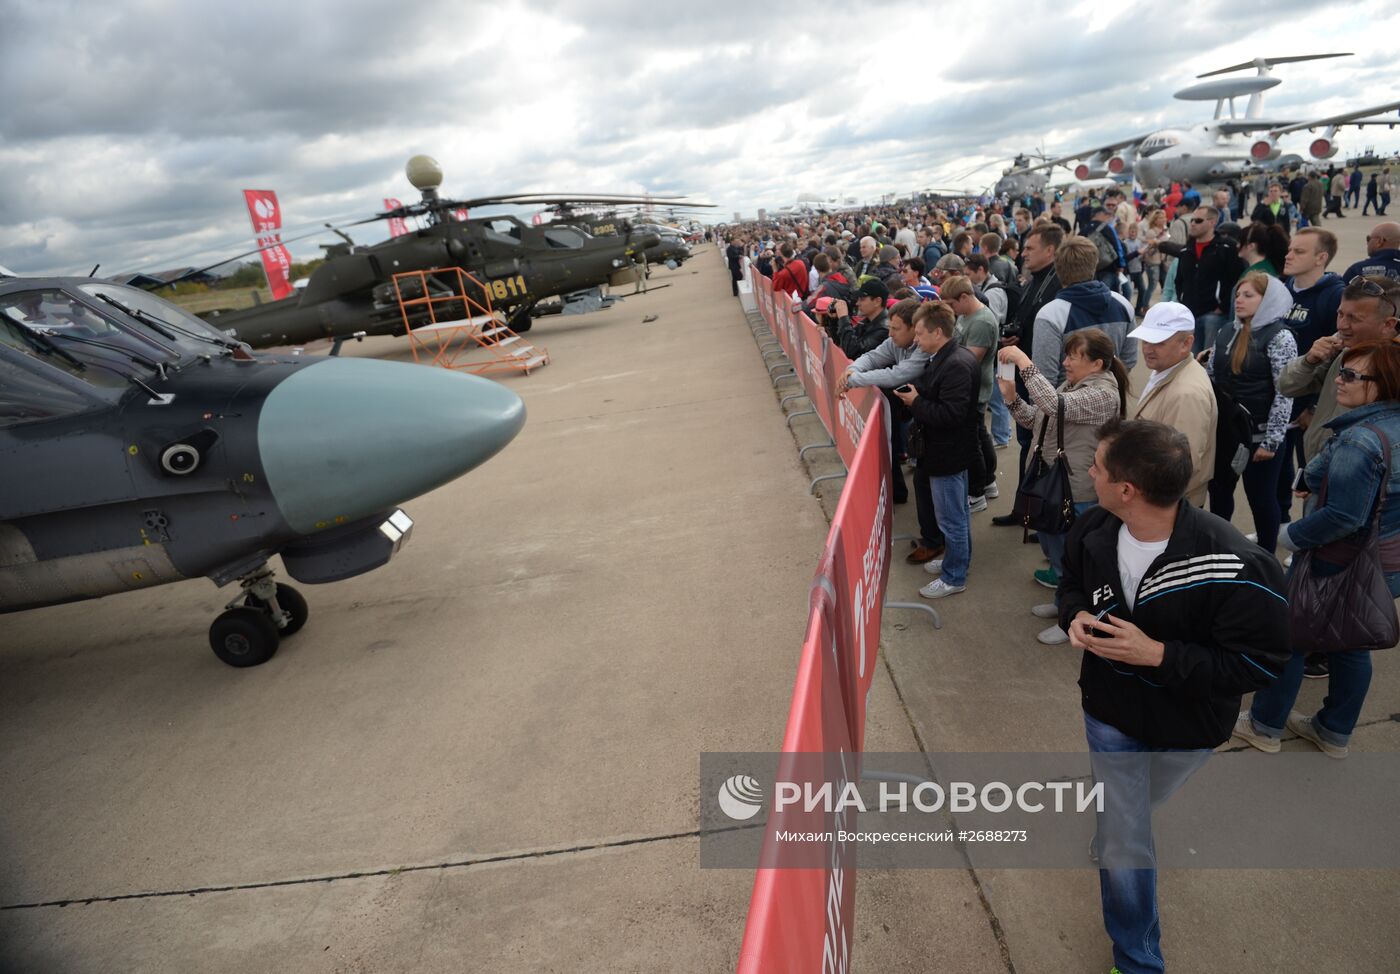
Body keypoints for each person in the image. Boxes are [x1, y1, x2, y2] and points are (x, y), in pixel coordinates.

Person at [1060, 417, 1289, 974]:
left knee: (1134, 811)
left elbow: (1261, 663)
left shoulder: (1236, 562)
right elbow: (1070, 584)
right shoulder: (1093, 527)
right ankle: (1138, 961)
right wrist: (1075, 615)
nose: (1088, 470)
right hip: (1108, 713)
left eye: (1098, 466)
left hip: (1187, 730)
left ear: (1127, 489)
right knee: (1126, 837)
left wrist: (1159, 655)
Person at [1233, 339, 1400, 758]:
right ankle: (1333, 732)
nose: (1338, 381)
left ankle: (1264, 724)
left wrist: (1290, 536)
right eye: (1341, 370)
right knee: (1350, 640)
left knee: (1290, 636)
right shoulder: (1380, 430)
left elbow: (1344, 517)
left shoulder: (1361, 441)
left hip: (1338, 557)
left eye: (1350, 375)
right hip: (1385, 558)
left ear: (1381, 385)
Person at [998, 328, 1128, 642]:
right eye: (1067, 354)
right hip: (1056, 484)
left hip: (1079, 488)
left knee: (1076, 557)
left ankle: (1074, 620)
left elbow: (1056, 406)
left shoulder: (1103, 394)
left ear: (1097, 364)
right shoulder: (1073, 384)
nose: (1066, 362)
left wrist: (1022, 360)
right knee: (1058, 551)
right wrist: (1012, 400)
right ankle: (1062, 604)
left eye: (1073, 356)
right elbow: (1037, 419)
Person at [1202, 272, 1298, 553]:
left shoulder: (1280, 337)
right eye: (1238, 295)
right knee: (1219, 494)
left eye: (1249, 295)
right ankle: (1219, 551)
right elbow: (1212, 380)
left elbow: (1285, 392)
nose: (1239, 300)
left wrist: (1272, 441)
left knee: (1262, 499)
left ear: (1267, 299)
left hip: (1260, 436)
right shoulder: (1226, 331)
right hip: (1227, 433)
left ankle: (1266, 556)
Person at [893, 302, 978, 599]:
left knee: (951, 519)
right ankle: (957, 562)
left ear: (937, 332)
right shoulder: (947, 357)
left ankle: (954, 576)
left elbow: (951, 414)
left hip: (947, 453)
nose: (915, 339)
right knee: (957, 516)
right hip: (947, 451)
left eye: (919, 333)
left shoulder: (955, 363)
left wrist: (915, 402)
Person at [840, 297, 931, 508]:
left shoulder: (923, 347)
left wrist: (852, 380)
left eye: (896, 329)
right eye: (890, 328)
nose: (890, 334)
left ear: (914, 328)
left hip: (932, 412)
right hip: (915, 408)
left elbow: (897, 375)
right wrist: (851, 371)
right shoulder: (894, 342)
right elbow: (872, 357)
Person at [1128, 303, 1217, 506]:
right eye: (1145, 340)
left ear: (1186, 343)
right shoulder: (1167, 368)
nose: (1147, 349)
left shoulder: (1186, 394)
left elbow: (1181, 465)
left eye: (1158, 342)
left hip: (1165, 504)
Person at [1030, 237, 1137, 388]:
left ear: (1058, 268)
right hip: (1109, 400)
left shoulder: (1051, 314)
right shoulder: (1123, 304)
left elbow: (1043, 378)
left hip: (1065, 406)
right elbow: (1129, 360)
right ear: (1094, 265)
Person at [942, 275, 1001, 511]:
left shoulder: (982, 322)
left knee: (972, 443)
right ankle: (988, 482)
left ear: (965, 297)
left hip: (973, 390)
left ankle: (977, 493)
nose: (951, 310)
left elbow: (968, 360)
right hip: (971, 389)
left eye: (952, 304)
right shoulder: (967, 315)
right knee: (979, 436)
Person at [1162, 206, 1245, 353]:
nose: (1193, 223)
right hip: (1189, 316)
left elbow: (1236, 279)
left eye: (1198, 220)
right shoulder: (1186, 251)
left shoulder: (1226, 248)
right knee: (1189, 361)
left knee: (1209, 360)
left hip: (1214, 316)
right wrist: (1182, 301)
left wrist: (1223, 307)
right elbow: (1179, 280)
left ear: (1212, 222)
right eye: (1192, 220)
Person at [831, 278, 891, 361]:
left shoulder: (884, 329)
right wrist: (834, 320)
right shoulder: (868, 321)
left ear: (877, 301)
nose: (857, 303)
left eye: (862, 299)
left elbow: (853, 352)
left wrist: (843, 318)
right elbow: (842, 341)